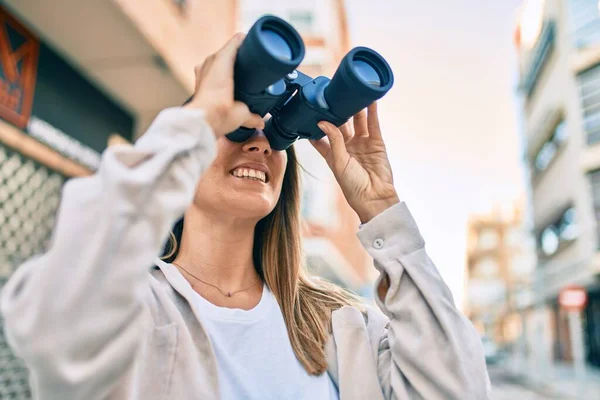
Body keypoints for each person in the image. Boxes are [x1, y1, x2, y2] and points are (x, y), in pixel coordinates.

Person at [0, 33, 491, 400]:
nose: (259, 144)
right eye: (235, 130)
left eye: (275, 138)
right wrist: (197, 117)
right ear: (187, 154)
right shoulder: (134, 305)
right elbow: (51, 327)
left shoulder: (340, 326)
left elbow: (460, 389)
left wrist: (382, 210)